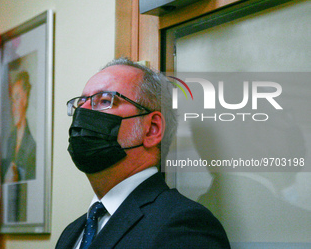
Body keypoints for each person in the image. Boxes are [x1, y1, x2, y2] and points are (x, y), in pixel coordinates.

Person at [56, 58, 230, 248]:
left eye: (105, 100)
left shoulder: (184, 226)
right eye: (81, 103)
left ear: (151, 129)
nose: (82, 112)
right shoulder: (71, 233)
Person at [2, 70, 36, 183]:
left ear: (25, 99)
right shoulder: (10, 140)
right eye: (12, 101)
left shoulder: (32, 145)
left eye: (17, 98)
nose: (14, 107)